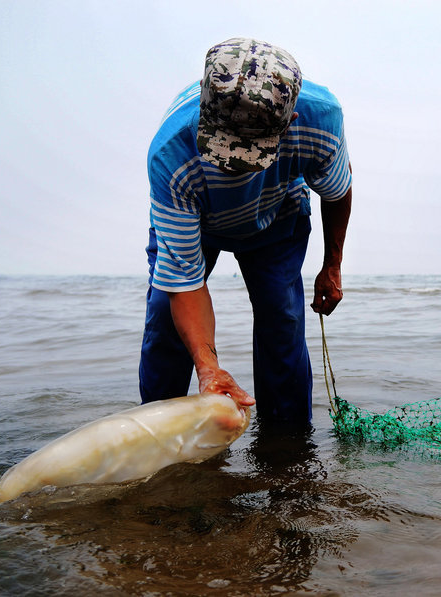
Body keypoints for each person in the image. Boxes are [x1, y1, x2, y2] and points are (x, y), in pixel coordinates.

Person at [139, 38, 353, 430]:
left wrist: (332, 265)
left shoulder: (321, 118)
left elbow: (336, 191)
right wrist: (208, 367)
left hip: (277, 212)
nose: (232, 167)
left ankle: (286, 448)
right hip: (195, 217)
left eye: (249, 152)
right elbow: (183, 280)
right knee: (166, 323)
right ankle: (158, 437)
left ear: (291, 122)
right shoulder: (169, 155)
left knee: (282, 322)